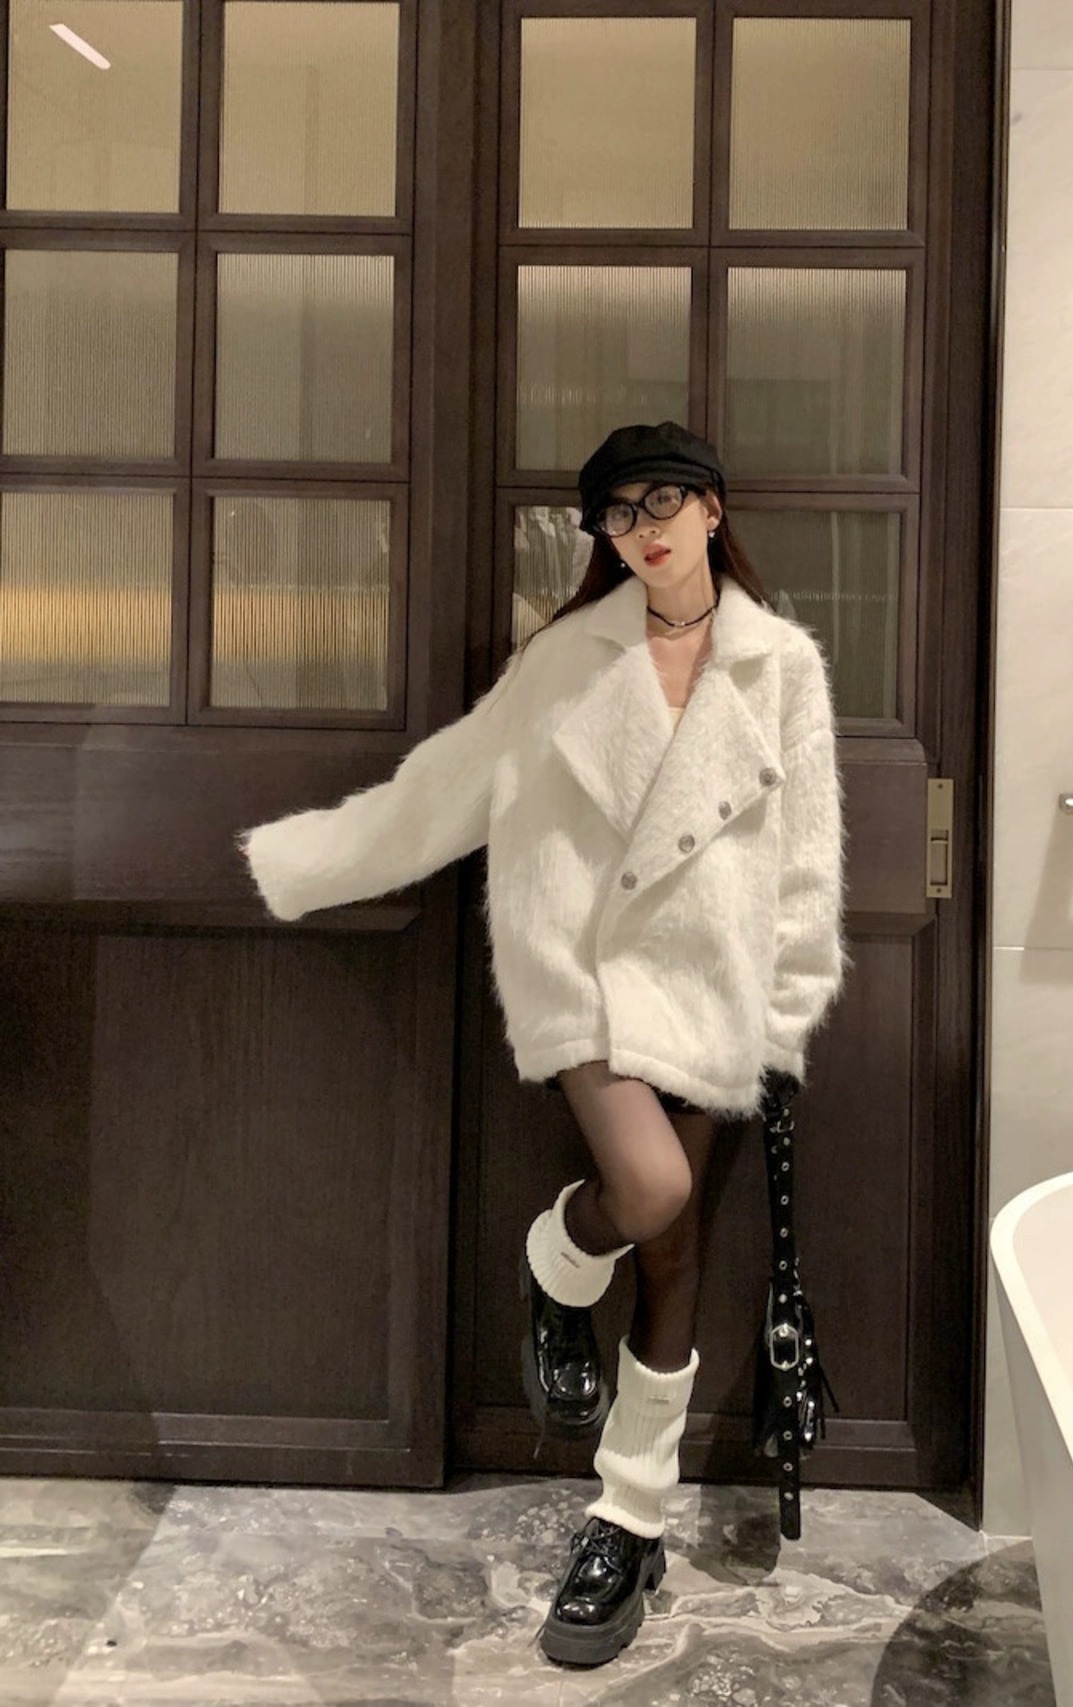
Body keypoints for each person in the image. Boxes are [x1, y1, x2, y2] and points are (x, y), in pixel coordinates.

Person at [238, 420, 848, 1668]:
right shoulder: (563, 659)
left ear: (712, 508)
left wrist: (783, 1016)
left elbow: (806, 860)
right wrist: (299, 863)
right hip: (584, 968)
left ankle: (627, 1519)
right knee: (650, 1191)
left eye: (662, 500)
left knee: (673, 1253)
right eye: (617, 512)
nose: (643, 529)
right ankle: (558, 1258)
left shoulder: (779, 665)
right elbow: (449, 784)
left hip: (715, 982)